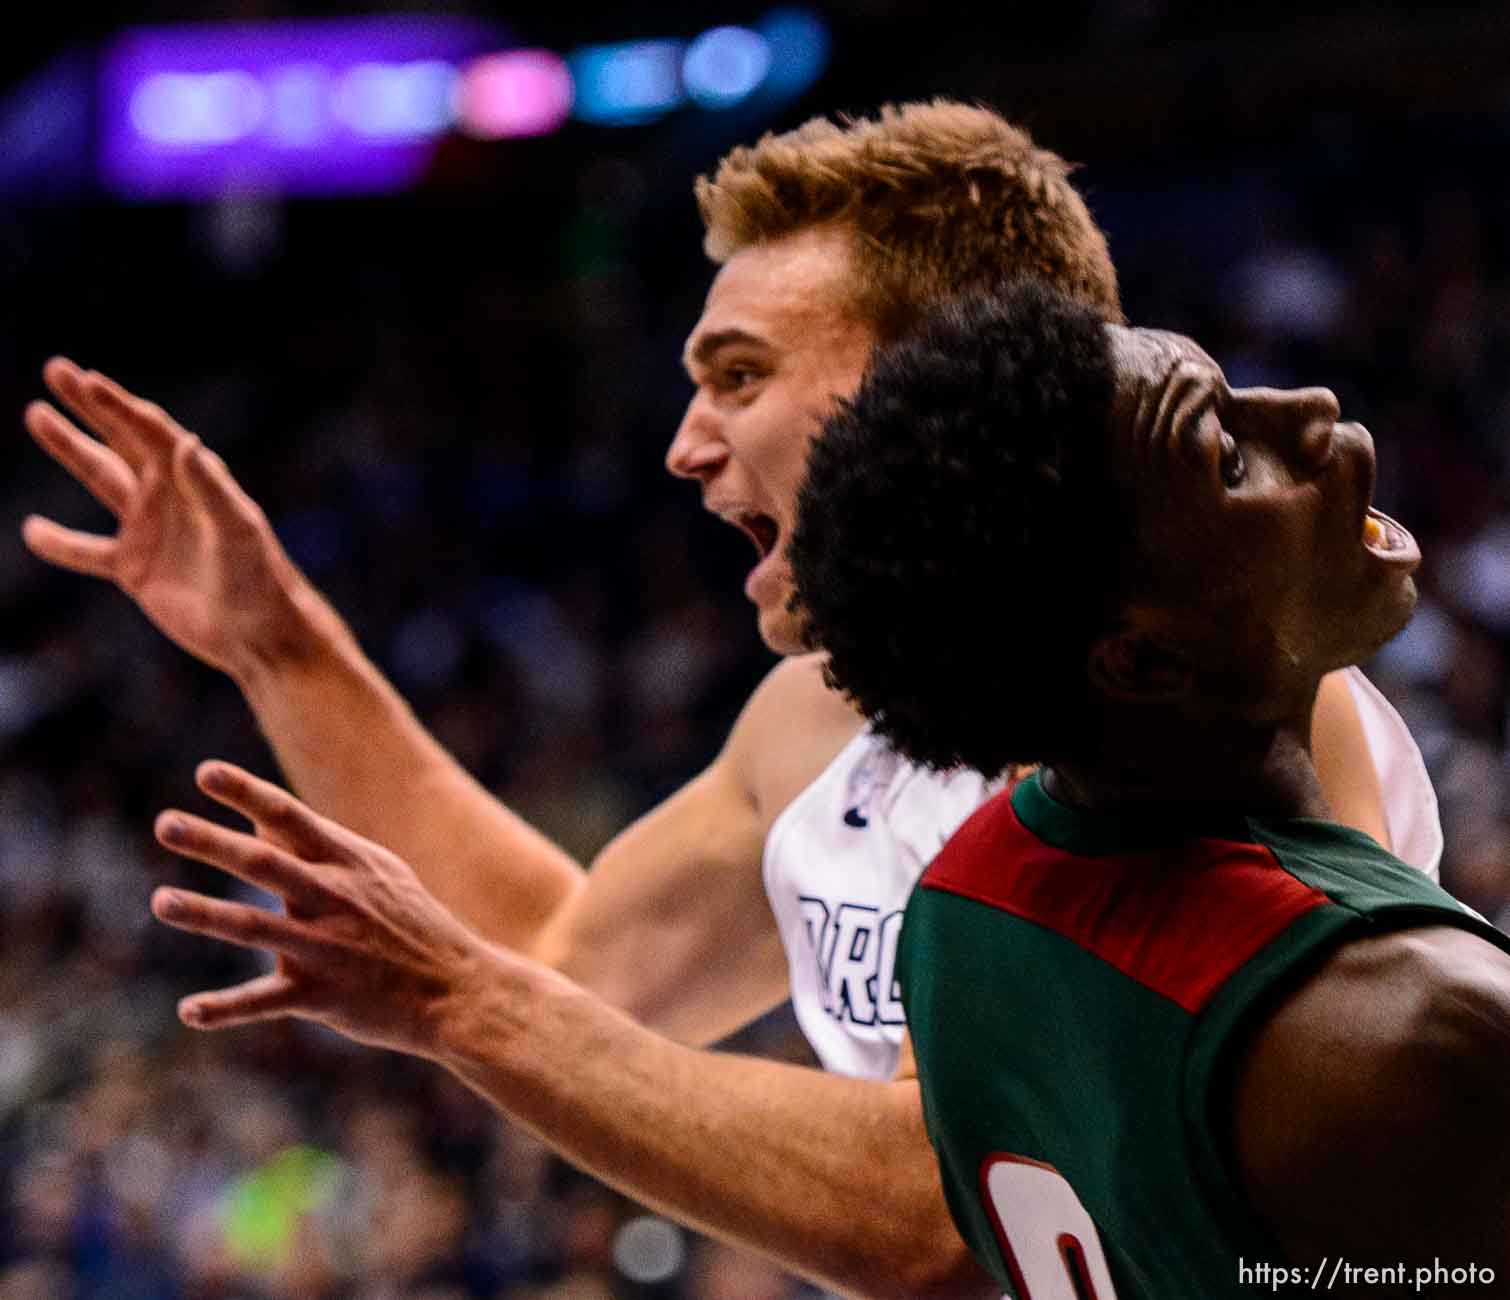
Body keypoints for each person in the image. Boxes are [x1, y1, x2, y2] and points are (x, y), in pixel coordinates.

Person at [19, 104, 1439, 1296]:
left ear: (935, 382)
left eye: (739, 378)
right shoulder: (808, 726)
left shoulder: (1219, 701)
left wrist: (469, 1006)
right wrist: (281, 646)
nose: (685, 449)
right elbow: (567, 962)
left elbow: (961, 1203)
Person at [789, 282, 1510, 1296]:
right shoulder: (1426, 1034)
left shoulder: (958, 911)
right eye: (1225, 456)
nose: (1305, 408)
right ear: (1141, 660)